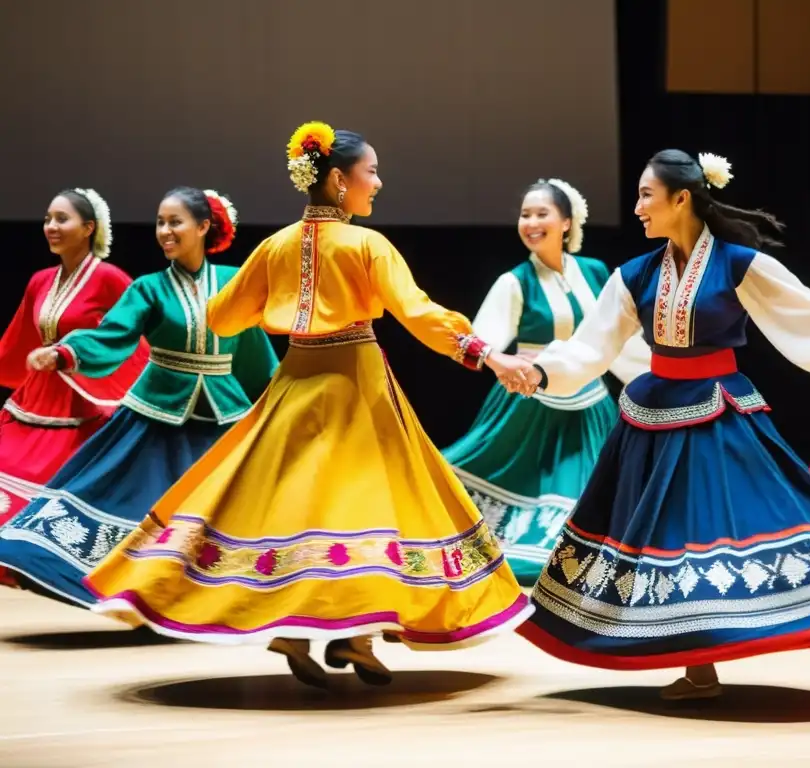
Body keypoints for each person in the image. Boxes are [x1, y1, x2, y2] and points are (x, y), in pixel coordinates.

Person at [84, 121, 533, 689]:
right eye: (371, 172)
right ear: (341, 180)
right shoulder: (366, 244)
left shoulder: (276, 246)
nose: (378, 181)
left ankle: (305, 630)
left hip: (296, 381)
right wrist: (488, 356)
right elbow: (418, 315)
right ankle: (357, 634)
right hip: (355, 385)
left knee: (298, 507)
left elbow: (222, 317)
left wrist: (279, 299)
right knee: (369, 506)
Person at [498, 150, 810, 701]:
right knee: (667, 538)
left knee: (718, 532)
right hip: (653, 413)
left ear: (681, 199)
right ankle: (697, 663)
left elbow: (806, 314)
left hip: (717, 411)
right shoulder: (637, 274)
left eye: (646, 196)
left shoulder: (737, 263)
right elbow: (591, 344)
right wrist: (539, 369)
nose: (637, 209)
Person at [0, 188, 278, 607]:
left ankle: (225, 599)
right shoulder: (149, 288)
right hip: (159, 416)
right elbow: (114, 336)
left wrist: (280, 397)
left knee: (236, 508)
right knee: (136, 505)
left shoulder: (231, 282)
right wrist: (64, 354)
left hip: (223, 415)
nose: (165, 231)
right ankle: (142, 595)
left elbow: (254, 351)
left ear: (203, 227)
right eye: (160, 223)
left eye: (175, 222)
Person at [443, 179, 649, 583]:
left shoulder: (593, 271)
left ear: (566, 223)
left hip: (589, 406)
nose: (531, 222)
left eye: (542, 214)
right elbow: (483, 340)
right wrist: (516, 359)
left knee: (594, 504)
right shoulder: (515, 281)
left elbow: (617, 338)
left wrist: (656, 378)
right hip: (530, 405)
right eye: (525, 215)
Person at [0, 189, 147, 529]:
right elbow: (18, 339)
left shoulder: (109, 278)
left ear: (88, 228)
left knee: (59, 489)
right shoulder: (40, 280)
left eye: (62, 219)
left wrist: (122, 388)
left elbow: (134, 338)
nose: (51, 226)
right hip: (35, 398)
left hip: (81, 403)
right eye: (48, 218)